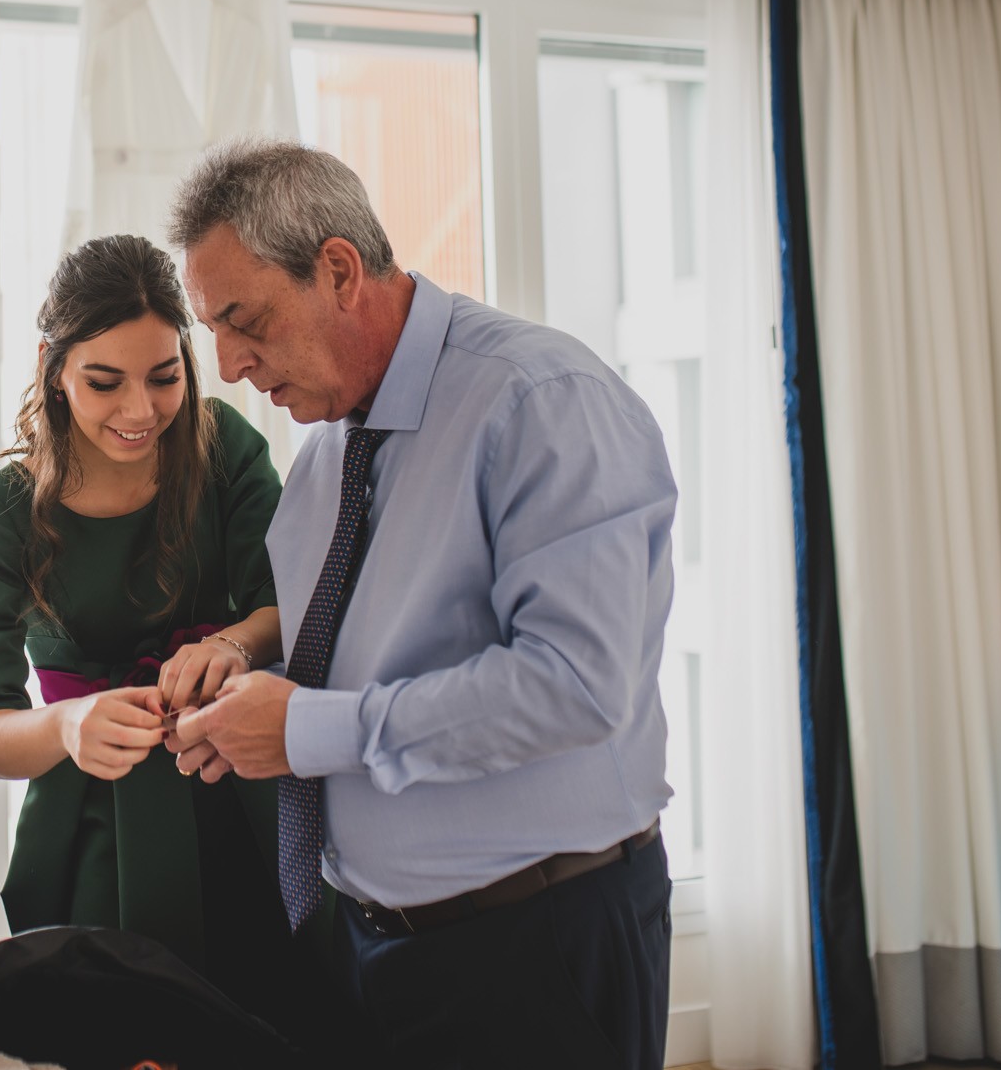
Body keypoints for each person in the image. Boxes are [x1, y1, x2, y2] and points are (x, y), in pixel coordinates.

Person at [165, 139, 679, 1069]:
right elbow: (376, 669)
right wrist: (250, 697)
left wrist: (306, 731)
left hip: (537, 944)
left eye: (243, 320)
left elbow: (573, 684)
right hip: (373, 950)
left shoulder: (540, 400)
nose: (230, 365)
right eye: (213, 332)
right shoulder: (325, 450)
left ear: (337, 269)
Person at [0, 233, 296, 1023]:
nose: (141, 411)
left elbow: (292, 607)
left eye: (164, 377)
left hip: (246, 801)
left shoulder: (224, 449)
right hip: (92, 836)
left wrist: (233, 645)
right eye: (106, 382)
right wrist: (69, 724)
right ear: (53, 368)